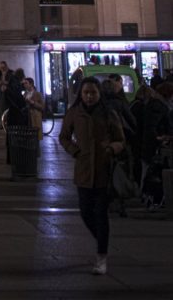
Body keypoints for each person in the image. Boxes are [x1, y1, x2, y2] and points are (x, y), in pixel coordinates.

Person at [59, 76, 125, 277]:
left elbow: (120, 139)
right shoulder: (74, 113)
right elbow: (63, 136)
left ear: (99, 94)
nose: (89, 96)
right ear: (81, 94)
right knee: (85, 212)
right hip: (84, 169)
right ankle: (101, 241)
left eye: (93, 93)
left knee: (101, 215)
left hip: (104, 169)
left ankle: (101, 256)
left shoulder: (108, 113)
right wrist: (75, 151)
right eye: (86, 93)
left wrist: (112, 149)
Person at [23, 77, 44, 141]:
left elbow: (42, 106)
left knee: (36, 136)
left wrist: (33, 103)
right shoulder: (25, 94)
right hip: (27, 117)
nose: (24, 85)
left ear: (31, 84)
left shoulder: (37, 94)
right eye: (24, 83)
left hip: (35, 117)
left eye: (26, 83)